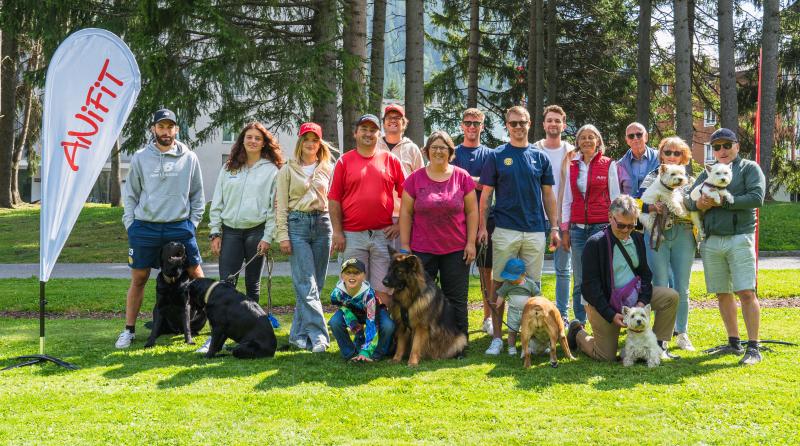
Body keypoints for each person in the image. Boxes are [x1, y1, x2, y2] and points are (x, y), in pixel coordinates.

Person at [116, 108, 205, 348]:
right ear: (153, 129)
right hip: (145, 227)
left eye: (170, 127)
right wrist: (131, 225)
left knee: (196, 274)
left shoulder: (189, 158)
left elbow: (197, 196)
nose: (166, 131)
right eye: (161, 126)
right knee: (139, 278)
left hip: (179, 226)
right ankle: (129, 331)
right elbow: (131, 194)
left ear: (177, 129)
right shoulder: (140, 157)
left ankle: (214, 328)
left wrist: (192, 224)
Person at [478, 105, 560, 356]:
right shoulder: (497, 155)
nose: (518, 127)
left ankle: (531, 337)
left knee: (532, 286)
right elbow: (486, 195)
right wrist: (482, 227)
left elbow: (548, 195)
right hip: (505, 228)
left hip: (535, 230)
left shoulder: (540, 157)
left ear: (529, 124)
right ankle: (497, 338)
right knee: (499, 283)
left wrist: (554, 227)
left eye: (522, 122)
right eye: (513, 123)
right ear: (507, 126)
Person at [197, 121, 283, 354]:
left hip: (257, 232)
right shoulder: (229, 167)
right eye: (249, 137)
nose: (253, 141)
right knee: (226, 284)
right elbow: (218, 202)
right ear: (242, 140)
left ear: (264, 143)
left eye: (257, 138)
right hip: (231, 232)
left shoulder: (272, 170)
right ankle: (216, 338)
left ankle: (250, 333)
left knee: (252, 286)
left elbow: (274, 208)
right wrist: (215, 232)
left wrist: (268, 237)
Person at [686, 128, 766, 365]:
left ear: (737, 146)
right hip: (711, 240)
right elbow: (688, 200)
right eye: (717, 147)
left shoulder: (749, 168)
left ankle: (754, 347)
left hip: (740, 237)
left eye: (727, 145)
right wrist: (699, 203)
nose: (722, 150)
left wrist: (723, 202)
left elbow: (757, 198)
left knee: (746, 292)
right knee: (722, 292)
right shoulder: (708, 171)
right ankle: (733, 342)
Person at [566, 195, 679, 362]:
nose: (626, 230)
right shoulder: (595, 244)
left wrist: (641, 302)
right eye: (621, 225)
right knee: (606, 356)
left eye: (631, 225)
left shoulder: (637, 238)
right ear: (610, 217)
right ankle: (577, 332)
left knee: (670, 297)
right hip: (602, 301)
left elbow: (645, 274)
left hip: (633, 297)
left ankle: (658, 346)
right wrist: (611, 314)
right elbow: (590, 288)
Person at [399, 130, 478, 341]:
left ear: (450, 152)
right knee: (419, 298)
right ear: (426, 151)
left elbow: (472, 212)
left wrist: (471, 243)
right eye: (434, 147)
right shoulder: (414, 179)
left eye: (443, 148)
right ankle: (417, 343)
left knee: (456, 299)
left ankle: (459, 343)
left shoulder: (462, 177)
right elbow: (405, 213)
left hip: (456, 249)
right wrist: (405, 246)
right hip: (422, 250)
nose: (438, 151)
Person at [329, 114, 405, 312]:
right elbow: (334, 199)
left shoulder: (390, 160)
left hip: (383, 234)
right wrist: (337, 231)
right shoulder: (344, 162)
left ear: (379, 134)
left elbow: (408, 195)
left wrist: (399, 224)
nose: (368, 134)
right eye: (364, 129)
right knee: (353, 288)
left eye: (373, 130)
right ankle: (356, 329)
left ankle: (380, 329)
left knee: (383, 289)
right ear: (355, 133)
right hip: (352, 235)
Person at [276, 122, 335, 353]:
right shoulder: (287, 169)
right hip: (297, 225)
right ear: (300, 142)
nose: (311, 144)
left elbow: (335, 201)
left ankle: (298, 335)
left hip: (323, 224)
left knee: (316, 284)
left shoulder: (329, 168)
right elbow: (281, 205)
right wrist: (283, 235)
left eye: (315, 140)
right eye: (306, 139)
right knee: (306, 283)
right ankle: (320, 336)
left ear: (320, 143)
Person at [637, 136, 696, 351]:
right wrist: (653, 208)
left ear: (684, 157)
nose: (671, 156)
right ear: (661, 155)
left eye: (677, 153)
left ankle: (682, 333)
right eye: (667, 152)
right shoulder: (652, 176)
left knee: (682, 286)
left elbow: (695, 205)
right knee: (660, 285)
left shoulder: (691, 180)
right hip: (656, 231)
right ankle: (661, 336)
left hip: (684, 233)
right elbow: (637, 203)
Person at [560, 124, 620, 325]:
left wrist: (615, 226)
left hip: (601, 227)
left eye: (590, 137)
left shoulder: (608, 164)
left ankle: (604, 321)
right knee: (579, 279)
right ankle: (579, 323)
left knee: (603, 276)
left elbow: (615, 198)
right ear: (577, 142)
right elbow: (567, 199)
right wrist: (565, 230)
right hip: (577, 229)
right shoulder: (571, 166)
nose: (586, 140)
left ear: (598, 141)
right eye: (583, 137)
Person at [452, 108, 495, 336]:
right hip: (456, 221)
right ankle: (457, 318)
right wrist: (476, 181)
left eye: (476, 123)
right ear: (461, 125)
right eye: (468, 122)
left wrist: (464, 179)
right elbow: (447, 180)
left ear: (482, 127)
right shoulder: (453, 152)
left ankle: (488, 318)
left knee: (486, 272)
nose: (471, 127)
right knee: (457, 273)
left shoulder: (490, 154)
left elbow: (489, 185)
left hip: (485, 220)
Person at [532, 105, 574, 326]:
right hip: (537, 217)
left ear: (563, 125)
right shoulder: (533, 150)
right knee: (534, 269)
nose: (553, 124)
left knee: (563, 270)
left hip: (564, 218)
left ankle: (563, 316)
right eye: (550, 120)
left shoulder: (572, 152)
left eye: (558, 120)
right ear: (543, 124)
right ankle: (536, 315)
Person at [376, 103, 425, 249]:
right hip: (375, 217)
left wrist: (402, 223)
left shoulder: (412, 149)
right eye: (389, 117)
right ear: (383, 123)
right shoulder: (374, 146)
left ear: (404, 123)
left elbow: (421, 187)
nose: (393, 120)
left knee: (401, 261)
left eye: (397, 118)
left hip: (404, 216)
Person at [328, 258, 395, 361]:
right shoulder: (336, 293)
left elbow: (372, 322)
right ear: (342, 276)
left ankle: (377, 354)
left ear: (364, 276)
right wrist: (355, 325)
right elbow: (342, 307)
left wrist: (366, 351)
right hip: (352, 312)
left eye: (356, 272)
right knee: (334, 322)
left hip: (375, 311)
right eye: (348, 272)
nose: (352, 276)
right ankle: (350, 353)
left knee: (388, 325)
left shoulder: (368, 294)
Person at [496, 258, 541, 356]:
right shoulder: (507, 284)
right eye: (509, 278)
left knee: (530, 331)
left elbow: (538, 295)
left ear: (523, 275)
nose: (511, 280)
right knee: (512, 331)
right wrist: (498, 303)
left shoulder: (530, 284)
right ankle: (511, 347)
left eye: (513, 278)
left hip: (527, 313)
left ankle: (531, 347)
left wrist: (539, 305)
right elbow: (501, 294)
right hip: (513, 312)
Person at [617, 122, 660, 198]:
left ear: (646, 137)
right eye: (631, 136)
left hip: (655, 204)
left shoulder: (660, 158)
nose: (635, 138)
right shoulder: (620, 165)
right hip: (629, 204)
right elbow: (616, 192)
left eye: (639, 135)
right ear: (627, 140)